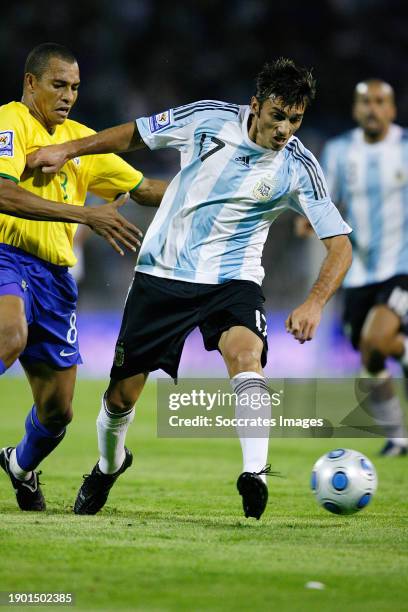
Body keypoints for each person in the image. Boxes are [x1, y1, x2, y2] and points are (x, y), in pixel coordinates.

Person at [28, 58, 352, 520]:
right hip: (163, 273)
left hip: (233, 280)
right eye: (277, 115)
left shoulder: (299, 166)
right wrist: (70, 150)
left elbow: (340, 246)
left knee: (247, 356)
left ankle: (254, 473)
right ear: (256, 106)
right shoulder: (208, 118)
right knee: (121, 398)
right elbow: (135, 134)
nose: (285, 130)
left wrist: (316, 302)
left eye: (295, 120)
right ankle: (108, 465)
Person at [0, 43, 167, 512]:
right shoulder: (10, 122)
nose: (68, 95)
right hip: (6, 256)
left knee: (58, 413)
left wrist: (216, 193)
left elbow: (145, 188)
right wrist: (85, 215)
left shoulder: (80, 141)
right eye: (58, 84)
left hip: (55, 279)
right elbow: (3, 193)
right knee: (8, 336)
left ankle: (20, 466)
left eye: (74, 86)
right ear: (31, 83)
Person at [296, 79, 408, 456]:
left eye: (380, 102)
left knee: (377, 338)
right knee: (371, 354)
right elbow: (325, 199)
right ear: (355, 109)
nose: (372, 109)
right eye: (365, 103)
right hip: (358, 271)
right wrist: (308, 218)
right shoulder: (340, 152)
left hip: (402, 266)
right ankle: (398, 439)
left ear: (391, 109)